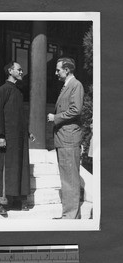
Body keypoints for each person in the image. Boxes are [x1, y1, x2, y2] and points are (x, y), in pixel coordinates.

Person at [0, 61, 35, 215]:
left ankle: (17, 200)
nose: (22, 72)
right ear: (10, 71)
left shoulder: (18, 91)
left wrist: (27, 132)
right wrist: (0, 135)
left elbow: (19, 116)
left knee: (20, 166)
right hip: (7, 137)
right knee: (5, 168)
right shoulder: (2, 90)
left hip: (20, 137)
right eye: (19, 69)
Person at [47, 57, 84, 219]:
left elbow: (76, 110)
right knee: (67, 178)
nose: (56, 73)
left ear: (67, 70)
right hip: (64, 138)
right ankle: (69, 215)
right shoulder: (67, 86)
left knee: (70, 179)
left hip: (69, 138)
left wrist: (55, 117)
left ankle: (70, 216)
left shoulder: (76, 85)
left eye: (58, 70)